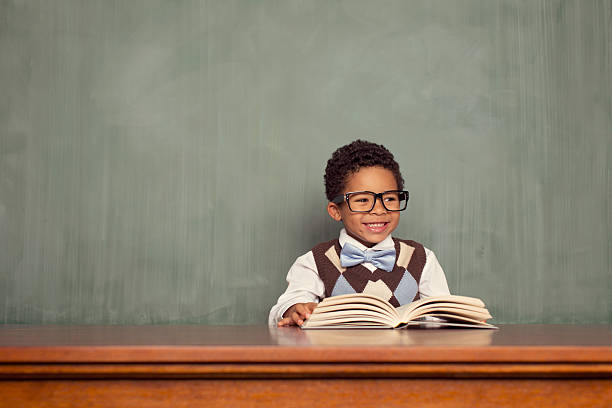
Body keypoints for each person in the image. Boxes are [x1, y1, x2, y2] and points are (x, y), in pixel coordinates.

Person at [268, 140, 450, 327]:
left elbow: (444, 316)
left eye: (389, 198)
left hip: (406, 355)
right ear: (335, 210)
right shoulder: (316, 261)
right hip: (341, 355)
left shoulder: (422, 259)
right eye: (363, 200)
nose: (379, 210)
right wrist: (295, 309)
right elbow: (283, 308)